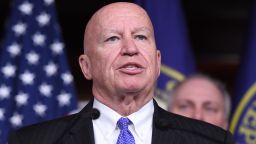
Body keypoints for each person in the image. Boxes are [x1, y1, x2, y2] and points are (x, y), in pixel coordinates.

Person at [8, 2, 234, 144]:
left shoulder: (212, 140)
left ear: (157, 63)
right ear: (86, 66)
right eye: (113, 38)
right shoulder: (32, 141)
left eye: (141, 37)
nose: (130, 48)